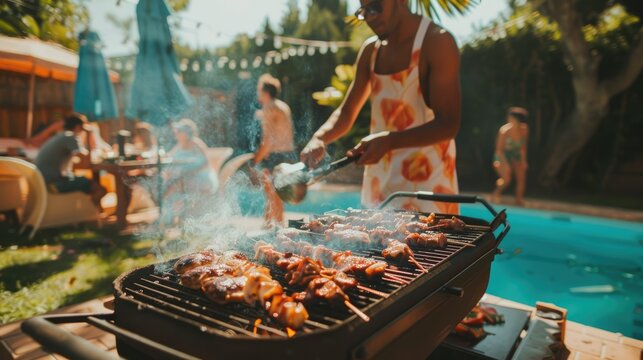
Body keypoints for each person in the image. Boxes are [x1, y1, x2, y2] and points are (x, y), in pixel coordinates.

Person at [300, 0, 461, 213]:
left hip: (428, 189)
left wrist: (389, 141)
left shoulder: (437, 42)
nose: (369, 16)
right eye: (363, 10)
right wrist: (320, 138)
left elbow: (448, 124)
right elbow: (347, 112)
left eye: (375, 7)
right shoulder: (370, 51)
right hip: (379, 190)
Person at [35, 113, 106, 207]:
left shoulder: (59, 136)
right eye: (82, 129)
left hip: (42, 182)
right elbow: (85, 160)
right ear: (78, 127)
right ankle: (92, 215)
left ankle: (86, 213)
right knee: (100, 190)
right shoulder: (70, 137)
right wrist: (88, 135)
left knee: (82, 181)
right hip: (54, 184)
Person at [253, 74, 296, 227]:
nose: (258, 94)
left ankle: (276, 229)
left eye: (259, 90)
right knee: (276, 195)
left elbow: (268, 141)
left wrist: (256, 159)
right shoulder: (282, 106)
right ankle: (267, 225)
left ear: (265, 92)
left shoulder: (269, 107)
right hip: (286, 155)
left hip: (275, 156)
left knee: (273, 195)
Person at [162, 118, 218, 225]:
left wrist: (191, 172)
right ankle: (173, 214)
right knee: (169, 183)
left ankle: (170, 215)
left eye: (179, 131)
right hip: (186, 178)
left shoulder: (195, 143)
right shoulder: (179, 145)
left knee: (172, 185)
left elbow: (206, 163)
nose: (176, 133)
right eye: (176, 131)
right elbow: (168, 158)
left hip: (203, 178)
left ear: (186, 133)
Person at [492, 107, 529, 206]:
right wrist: (505, 164)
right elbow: (499, 150)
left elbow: (523, 147)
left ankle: (519, 199)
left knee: (521, 177)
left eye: (511, 117)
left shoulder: (524, 129)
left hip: (516, 155)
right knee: (506, 179)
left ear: (517, 119)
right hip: (502, 155)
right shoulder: (504, 131)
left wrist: (524, 161)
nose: (508, 118)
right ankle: (496, 194)